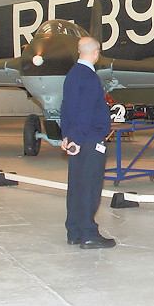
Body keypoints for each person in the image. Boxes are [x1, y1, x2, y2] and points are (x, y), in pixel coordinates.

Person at [61, 36, 115, 248]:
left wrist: (68, 136)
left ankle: (73, 231)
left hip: (77, 138)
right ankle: (88, 233)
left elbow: (66, 108)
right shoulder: (90, 78)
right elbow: (85, 112)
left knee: (76, 186)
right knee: (89, 188)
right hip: (89, 139)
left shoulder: (72, 75)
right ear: (96, 52)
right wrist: (79, 139)